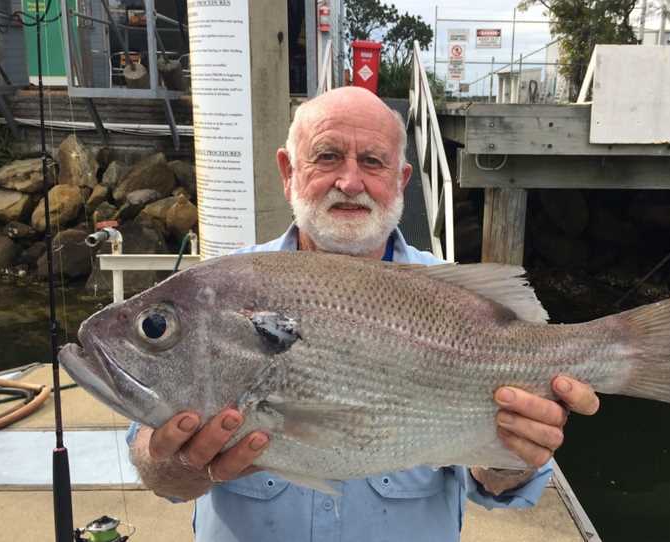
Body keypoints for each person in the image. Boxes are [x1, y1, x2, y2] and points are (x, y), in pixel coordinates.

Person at [127, 86, 600, 541]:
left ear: (402, 180)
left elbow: (495, 484)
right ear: (288, 171)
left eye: (372, 161)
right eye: (327, 156)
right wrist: (174, 465)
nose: (350, 182)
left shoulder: (451, 293)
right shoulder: (219, 292)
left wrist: (510, 455)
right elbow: (157, 469)